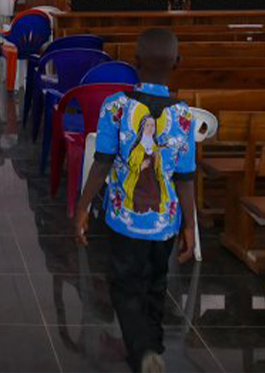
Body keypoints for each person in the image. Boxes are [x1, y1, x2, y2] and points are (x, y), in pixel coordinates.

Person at [75, 28, 197, 373]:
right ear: (178, 63)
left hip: (124, 219)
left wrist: (83, 207)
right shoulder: (184, 115)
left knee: (125, 286)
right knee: (156, 286)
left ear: (134, 62)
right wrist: (190, 224)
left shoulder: (116, 106)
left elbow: (101, 162)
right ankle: (153, 346)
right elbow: (186, 177)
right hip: (165, 224)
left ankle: (143, 351)